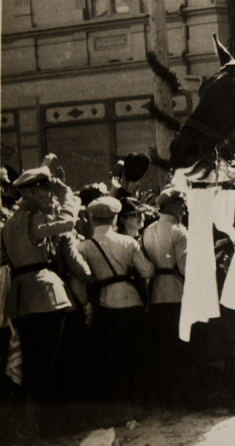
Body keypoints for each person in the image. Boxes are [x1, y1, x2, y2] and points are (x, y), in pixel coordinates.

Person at [1, 166, 86, 441]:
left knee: (31, 367)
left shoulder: (9, 222)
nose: (50, 196)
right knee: (48, 366)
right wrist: (69, 197)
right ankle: (45, 429)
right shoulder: (33, 217)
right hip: (45, 296)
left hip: (20, 297)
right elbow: (66, 225)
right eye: (47, 191)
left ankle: (26, 428)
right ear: (35, 192)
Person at [77, 196, 154, 425]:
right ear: (115, 218)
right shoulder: (128, 242)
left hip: (106, 305)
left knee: (113, 360)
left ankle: (119, 412)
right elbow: (147, 271)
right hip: (132, 303)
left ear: (92, 219)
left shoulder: (84, 247)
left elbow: (79, 282)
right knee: (136, 358)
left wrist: (86, 304)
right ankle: (139, 408)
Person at [140, 187, 189, 408]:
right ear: (170, 206)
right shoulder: (179, 232)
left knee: (162, 347)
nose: (184, 208)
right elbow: (185, 268)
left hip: (156, 294)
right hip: (177, 293)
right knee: (179, 347)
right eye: (181, 204)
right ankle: (178, 396)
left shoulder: (147, 231)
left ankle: (163, 394)